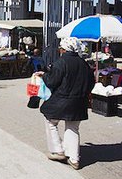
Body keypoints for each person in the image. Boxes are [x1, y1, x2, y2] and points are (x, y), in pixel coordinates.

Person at [35, 37, 95, 170]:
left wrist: (44, 75)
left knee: (51, 121)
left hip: (61, 101)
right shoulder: (84, 64)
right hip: (79, 102)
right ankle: (74, 159)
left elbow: (52, 82)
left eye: (60, 48)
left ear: (63, 49)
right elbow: (91, 83)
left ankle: (58, 150)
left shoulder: (61, 62)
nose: (59, 51)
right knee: (73, 128)